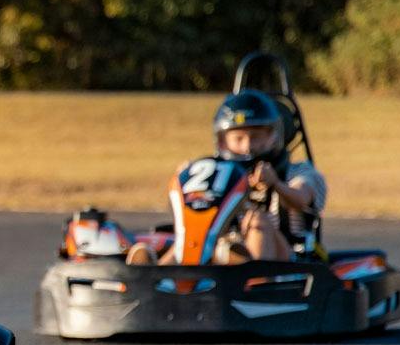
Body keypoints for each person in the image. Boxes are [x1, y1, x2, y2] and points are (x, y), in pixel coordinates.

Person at [124, 89, 327, 265]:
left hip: (287, 263)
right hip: (220, 248)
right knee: (190, 233)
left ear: (274, 136)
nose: (247, 146)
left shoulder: (300, 171)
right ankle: (155, 272)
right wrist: (184, 183)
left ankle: (252, 276)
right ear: (223, 141)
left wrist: (275, 183)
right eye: (238, 138)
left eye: (255, 137)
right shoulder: (219, 174)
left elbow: (301, 198)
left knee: (257, 220)